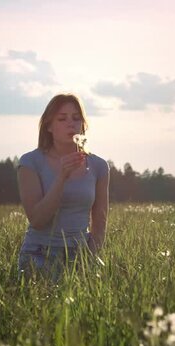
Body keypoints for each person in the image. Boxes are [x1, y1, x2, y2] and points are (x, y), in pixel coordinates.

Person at [16, 93, 109, 279]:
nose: (71, 124)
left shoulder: (98, 165)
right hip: (39, 254)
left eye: (76, 118)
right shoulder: (30, 162)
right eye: (62, 118)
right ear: (49, 126)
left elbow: (100, 222)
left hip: (80, 254)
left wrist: (88, 259)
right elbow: (37, 220)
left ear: (83, 125)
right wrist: (62, 177)